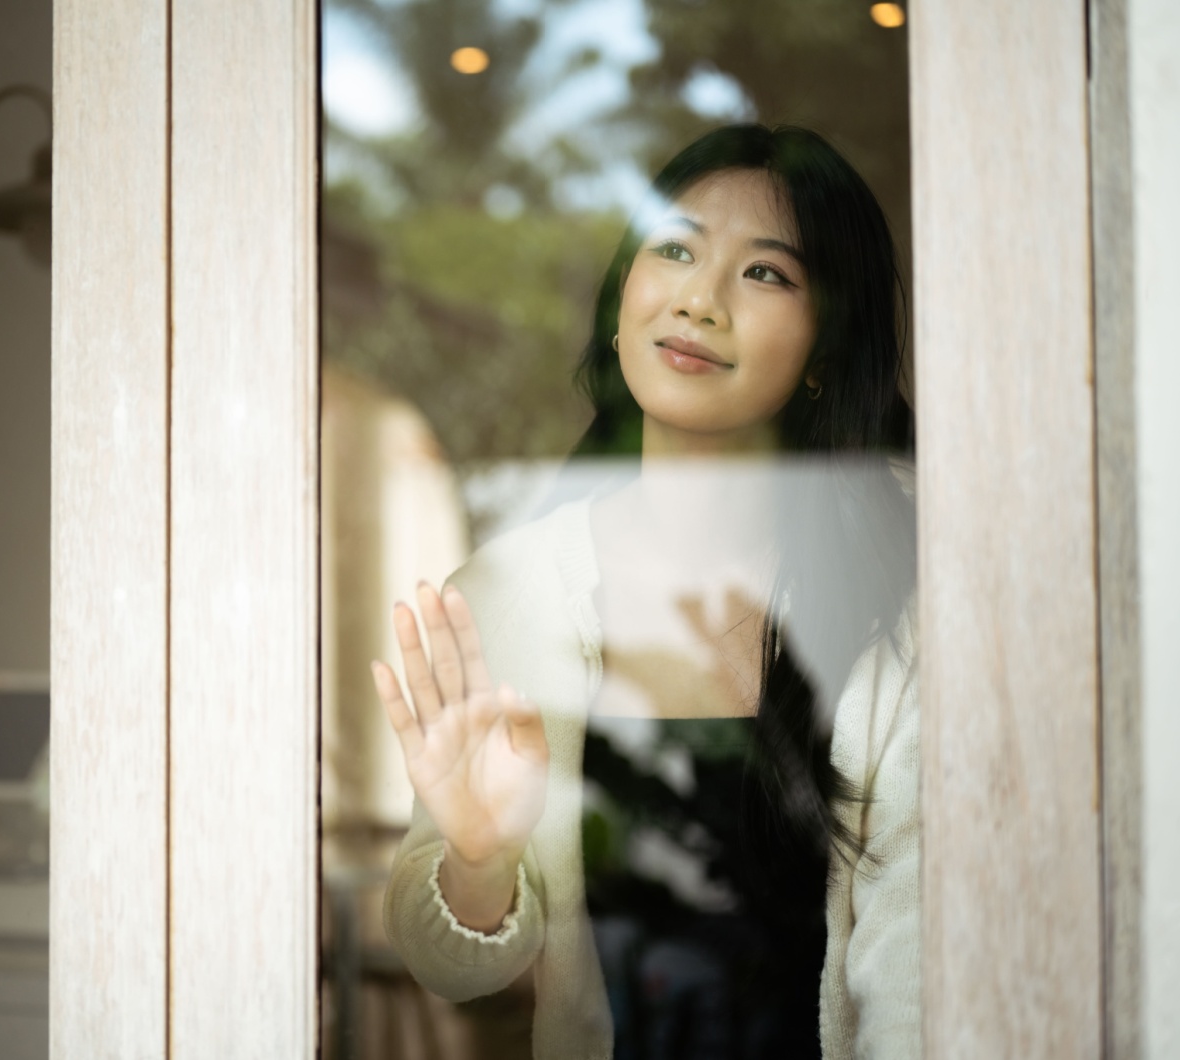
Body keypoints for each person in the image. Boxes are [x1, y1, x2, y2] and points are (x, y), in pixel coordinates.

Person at [372, 125, 919, 1060]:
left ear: (828, 347)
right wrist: (476, 857)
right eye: (673, 248)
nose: (700, 300)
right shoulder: (512, 592)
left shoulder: (905, 610)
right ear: (623, 301)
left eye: (766, 275)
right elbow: (453, 969)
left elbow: (917, 976)